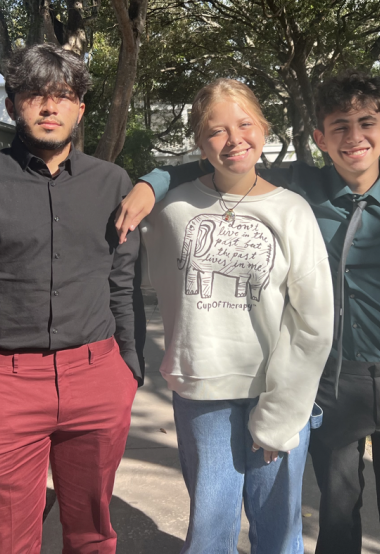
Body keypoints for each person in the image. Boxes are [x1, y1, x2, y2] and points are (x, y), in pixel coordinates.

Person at [117, 69, 380, 554]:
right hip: (336, 381)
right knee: (336, 519)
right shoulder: (298, 187)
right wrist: (151, 182)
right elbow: (214, 164)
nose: (354, 137)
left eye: (366, 123)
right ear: (319, 138)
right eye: (339, 126)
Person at [0, 44, 142, 554]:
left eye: (64, 96)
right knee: (7, 543)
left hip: (97, 379)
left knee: (93, 536)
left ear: (80, 109)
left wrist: (129, 367)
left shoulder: (112, 183)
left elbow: (121, 280)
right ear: (12, 105)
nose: (50, 107)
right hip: (3, 386)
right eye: (35, 95)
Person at [138, 79, 333, 553]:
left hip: (277, 394)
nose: (234, 139)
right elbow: (149, 280)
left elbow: (313, 322)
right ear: (200, 144)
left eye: (245, 124)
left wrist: (280, 415)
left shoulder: (292, 212)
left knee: (279, 534)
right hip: (203, 394)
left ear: (264, 129)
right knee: (208, 534)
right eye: (216, 131)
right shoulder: (173, 210)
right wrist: (150, 181)